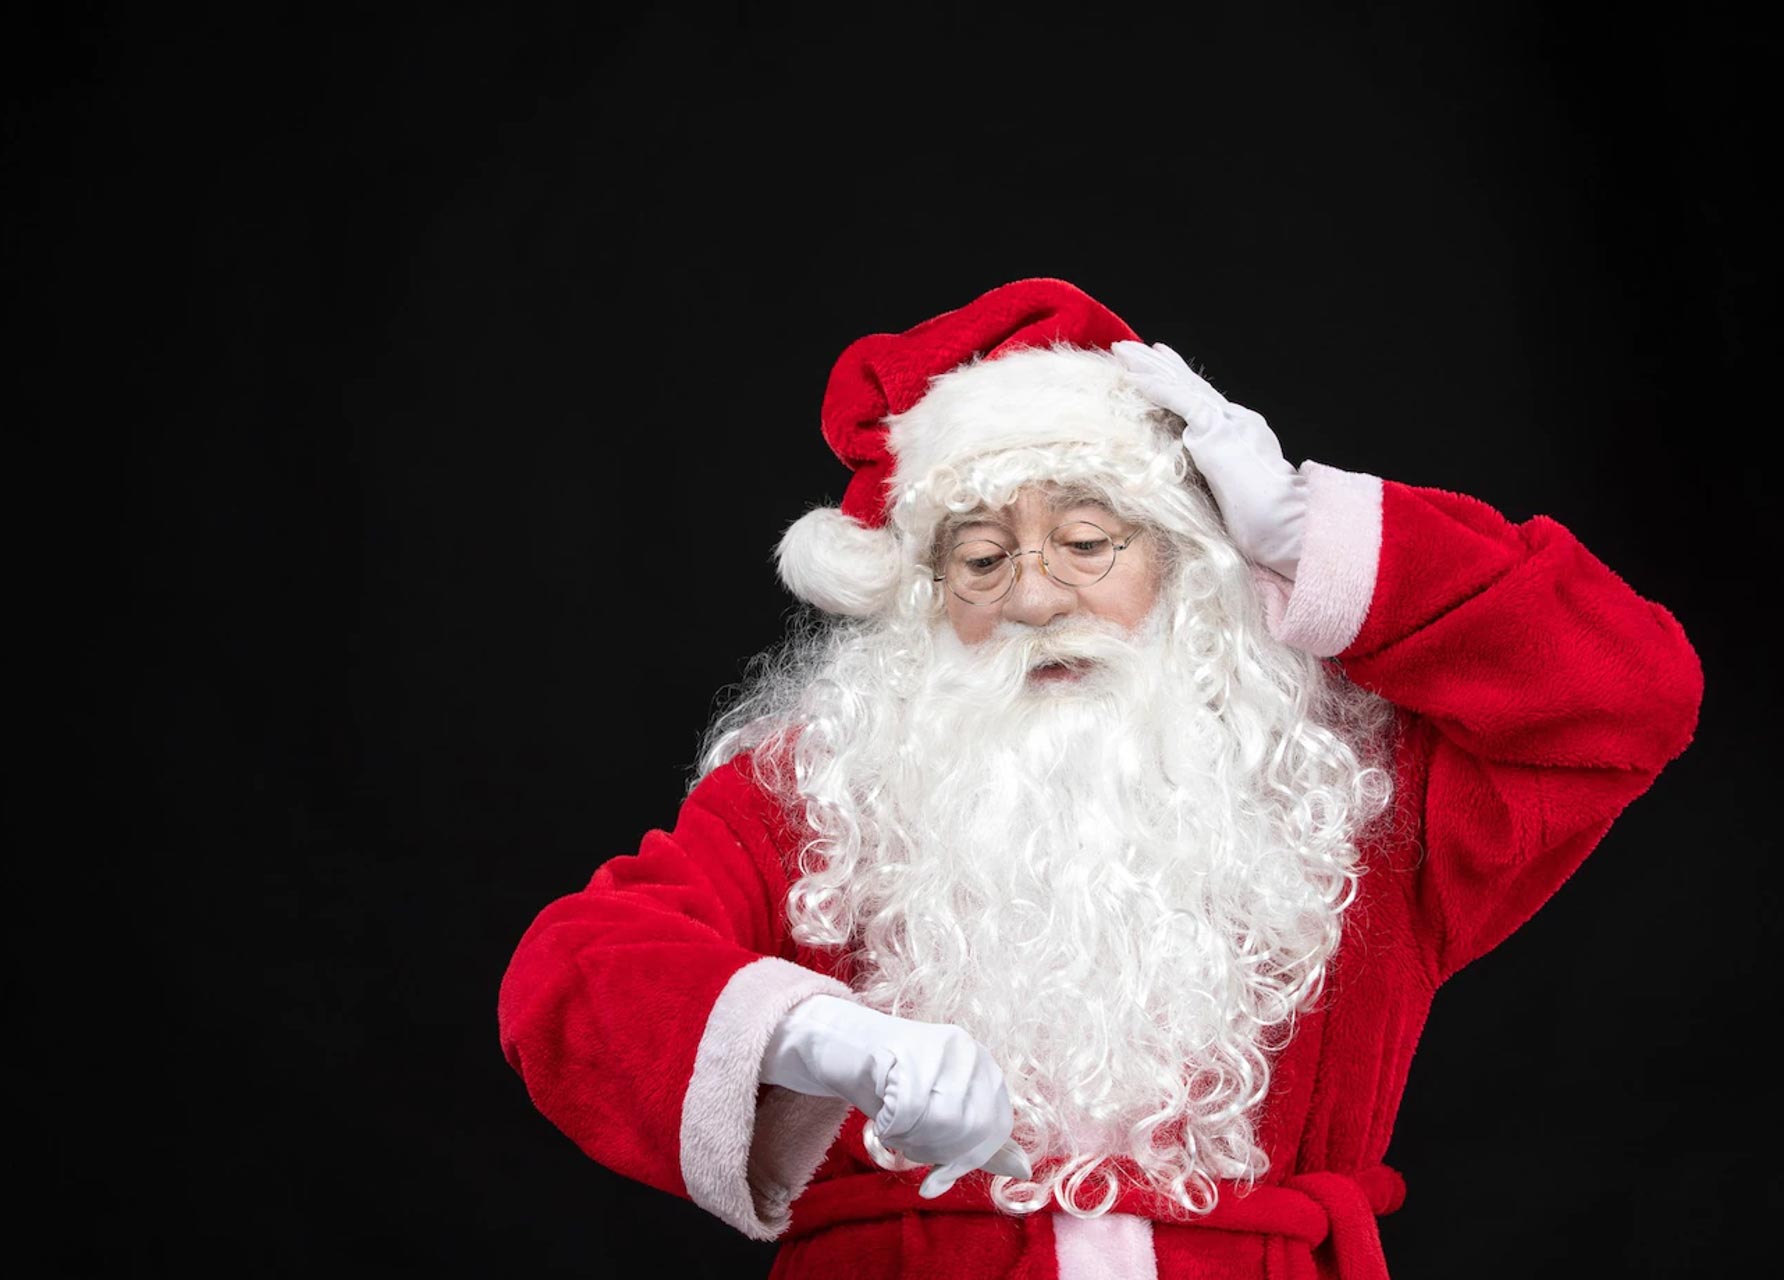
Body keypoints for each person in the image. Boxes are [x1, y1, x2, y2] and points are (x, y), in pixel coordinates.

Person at [496, 278, 1703, 1279]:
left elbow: (1627, 690)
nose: (1032, 595)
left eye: (1086, 541)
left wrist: (1299, 531)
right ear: (926, 598)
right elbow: (572, 980)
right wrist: (829, 1040)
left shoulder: (1349, 797)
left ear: (1185, 562)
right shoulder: (826, 793)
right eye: (980, 558)